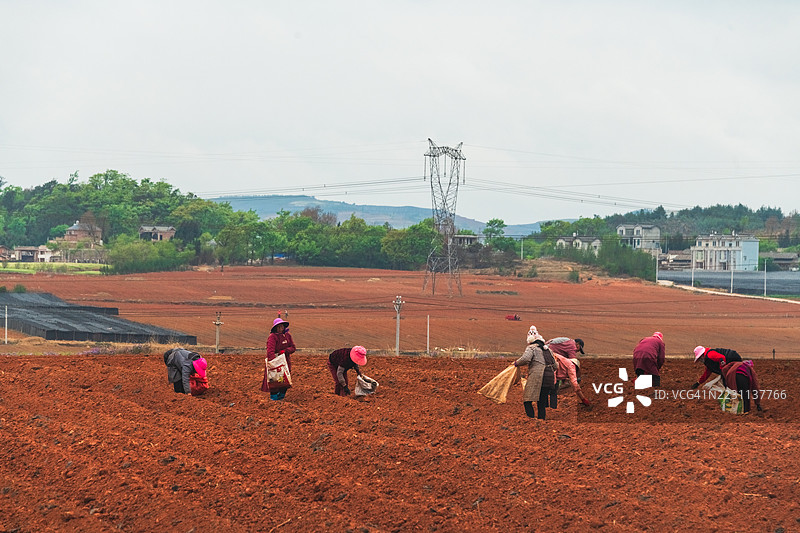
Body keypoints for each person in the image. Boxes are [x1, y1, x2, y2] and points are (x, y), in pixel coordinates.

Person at [512, 329, 557, 420]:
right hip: (549, 378)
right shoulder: (548, 350)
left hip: (538, 377)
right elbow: (555, 366)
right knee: (541, 402)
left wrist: (516, 363)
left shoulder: (531, 348)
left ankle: (531, 420)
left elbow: (525, 359)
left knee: (527, 400)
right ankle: (541, 420)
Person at [261, 317, 296, 401]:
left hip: (285, 362)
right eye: (279, 327)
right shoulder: (272, 337)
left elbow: (293, 347)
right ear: (275, 328)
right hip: (275, 362)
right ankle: (274, 399)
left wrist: (285, 351)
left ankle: (281, 398)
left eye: (282, 326)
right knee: (274, 380)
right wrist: (274, 363)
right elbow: (270, 351)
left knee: (285, 380)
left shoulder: (287, 335)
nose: (281, 328)